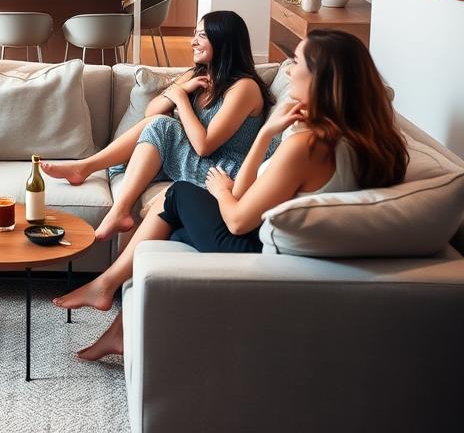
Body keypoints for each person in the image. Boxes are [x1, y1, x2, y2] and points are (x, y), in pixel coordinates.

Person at [55, 30, 408, 361]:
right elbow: (246, 194)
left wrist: (221, 191)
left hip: (258, 248)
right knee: (172, 228)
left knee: (178, 195)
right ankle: (118, 324)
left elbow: (238, 219)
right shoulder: (374, 143)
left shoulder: (308, 144)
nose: (289, 68)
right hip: (280, 244)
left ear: (322, 78)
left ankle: (106, 284)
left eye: (297, 63)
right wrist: (266, 133)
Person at [42, 11, 271, 241]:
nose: (193, 42)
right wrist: (184, 89)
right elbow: (151, 111)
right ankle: (86, 169)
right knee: (157, 124)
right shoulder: (199, 75)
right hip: (200, 157)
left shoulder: (244, 88)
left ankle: (110, 199)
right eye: (194, 35)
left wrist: (181, 98)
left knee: (163, 126)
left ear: (223, 41)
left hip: (221, 171)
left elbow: (204, 146)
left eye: (201, 36)